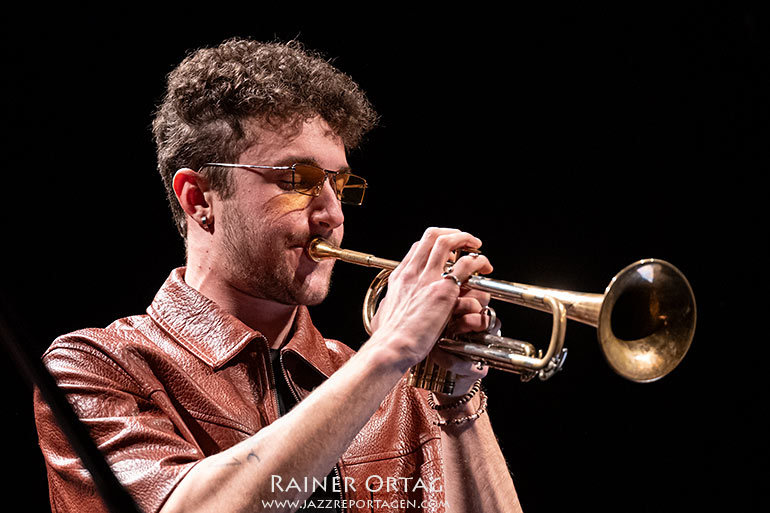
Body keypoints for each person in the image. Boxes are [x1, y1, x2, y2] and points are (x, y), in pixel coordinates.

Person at [34, 38, 521, 513]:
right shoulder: (98, 367)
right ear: (199, 199)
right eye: (298, 180)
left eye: (340, 184)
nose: (332, 213)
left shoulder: (391, 382)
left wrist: (457, 396)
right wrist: (390, 350)